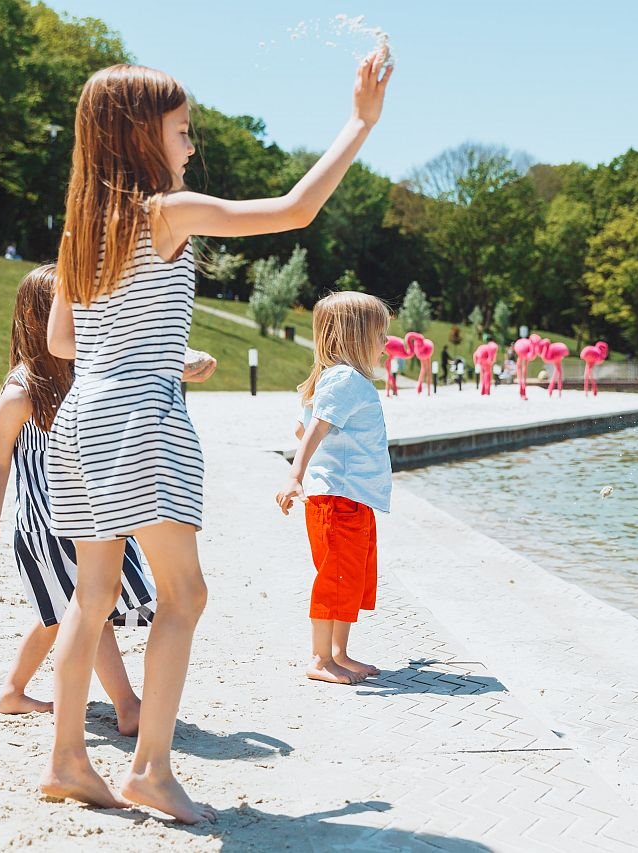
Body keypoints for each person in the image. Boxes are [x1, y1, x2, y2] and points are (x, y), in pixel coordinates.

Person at [43, 51, 392, 820]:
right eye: (182, 131)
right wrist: (359, 123)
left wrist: (164, 350)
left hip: (81, 419)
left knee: (91, 594)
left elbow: (65, 342)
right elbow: (294, 208)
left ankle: (69, 757)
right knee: (185, 593)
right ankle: (151, 770)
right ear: (141, 135)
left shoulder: (79, 234)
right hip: (141, 418)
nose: (190, 145)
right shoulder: (163, 212)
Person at [0, 264, 160, 732]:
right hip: (49, 526)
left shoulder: (83, 376)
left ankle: (12, 692)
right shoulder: (21, 392)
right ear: (41, 317)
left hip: (92, 514)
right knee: (87, 607)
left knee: (58, 613)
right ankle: (127, 705)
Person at [276, 292, 392, 686]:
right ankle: (321, 659)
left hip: (352, 498)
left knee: (351, 578)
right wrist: (295, 475)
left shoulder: (337, 380)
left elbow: (302, 426)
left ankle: (339, 653)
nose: (385, 344)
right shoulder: (344, 379)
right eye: (380, 335)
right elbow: (314, 430)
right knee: (337, 576)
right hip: (339, 498)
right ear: (355, 337)